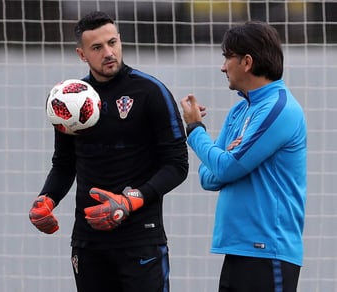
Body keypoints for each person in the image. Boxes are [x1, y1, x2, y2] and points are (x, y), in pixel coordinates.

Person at [29, 11, 189, 292]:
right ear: (82, 54)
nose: (108, 52)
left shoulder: (151, 92)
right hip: (88, 242)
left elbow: (177, 165)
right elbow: (64, 164)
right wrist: (47, 200)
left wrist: (130, 202)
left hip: (140, 238)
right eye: (97, 47)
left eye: (112, 42)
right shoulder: (71, 101)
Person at [180, 21, 307, 292]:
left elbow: (224, 168)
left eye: (227, 57)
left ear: (247, 61)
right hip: (238, 249)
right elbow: (208, 177)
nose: (223, 66)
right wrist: (224, 157)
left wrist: (195, 129)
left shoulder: (279, 108)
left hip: (268, 251)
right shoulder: (239, 111)